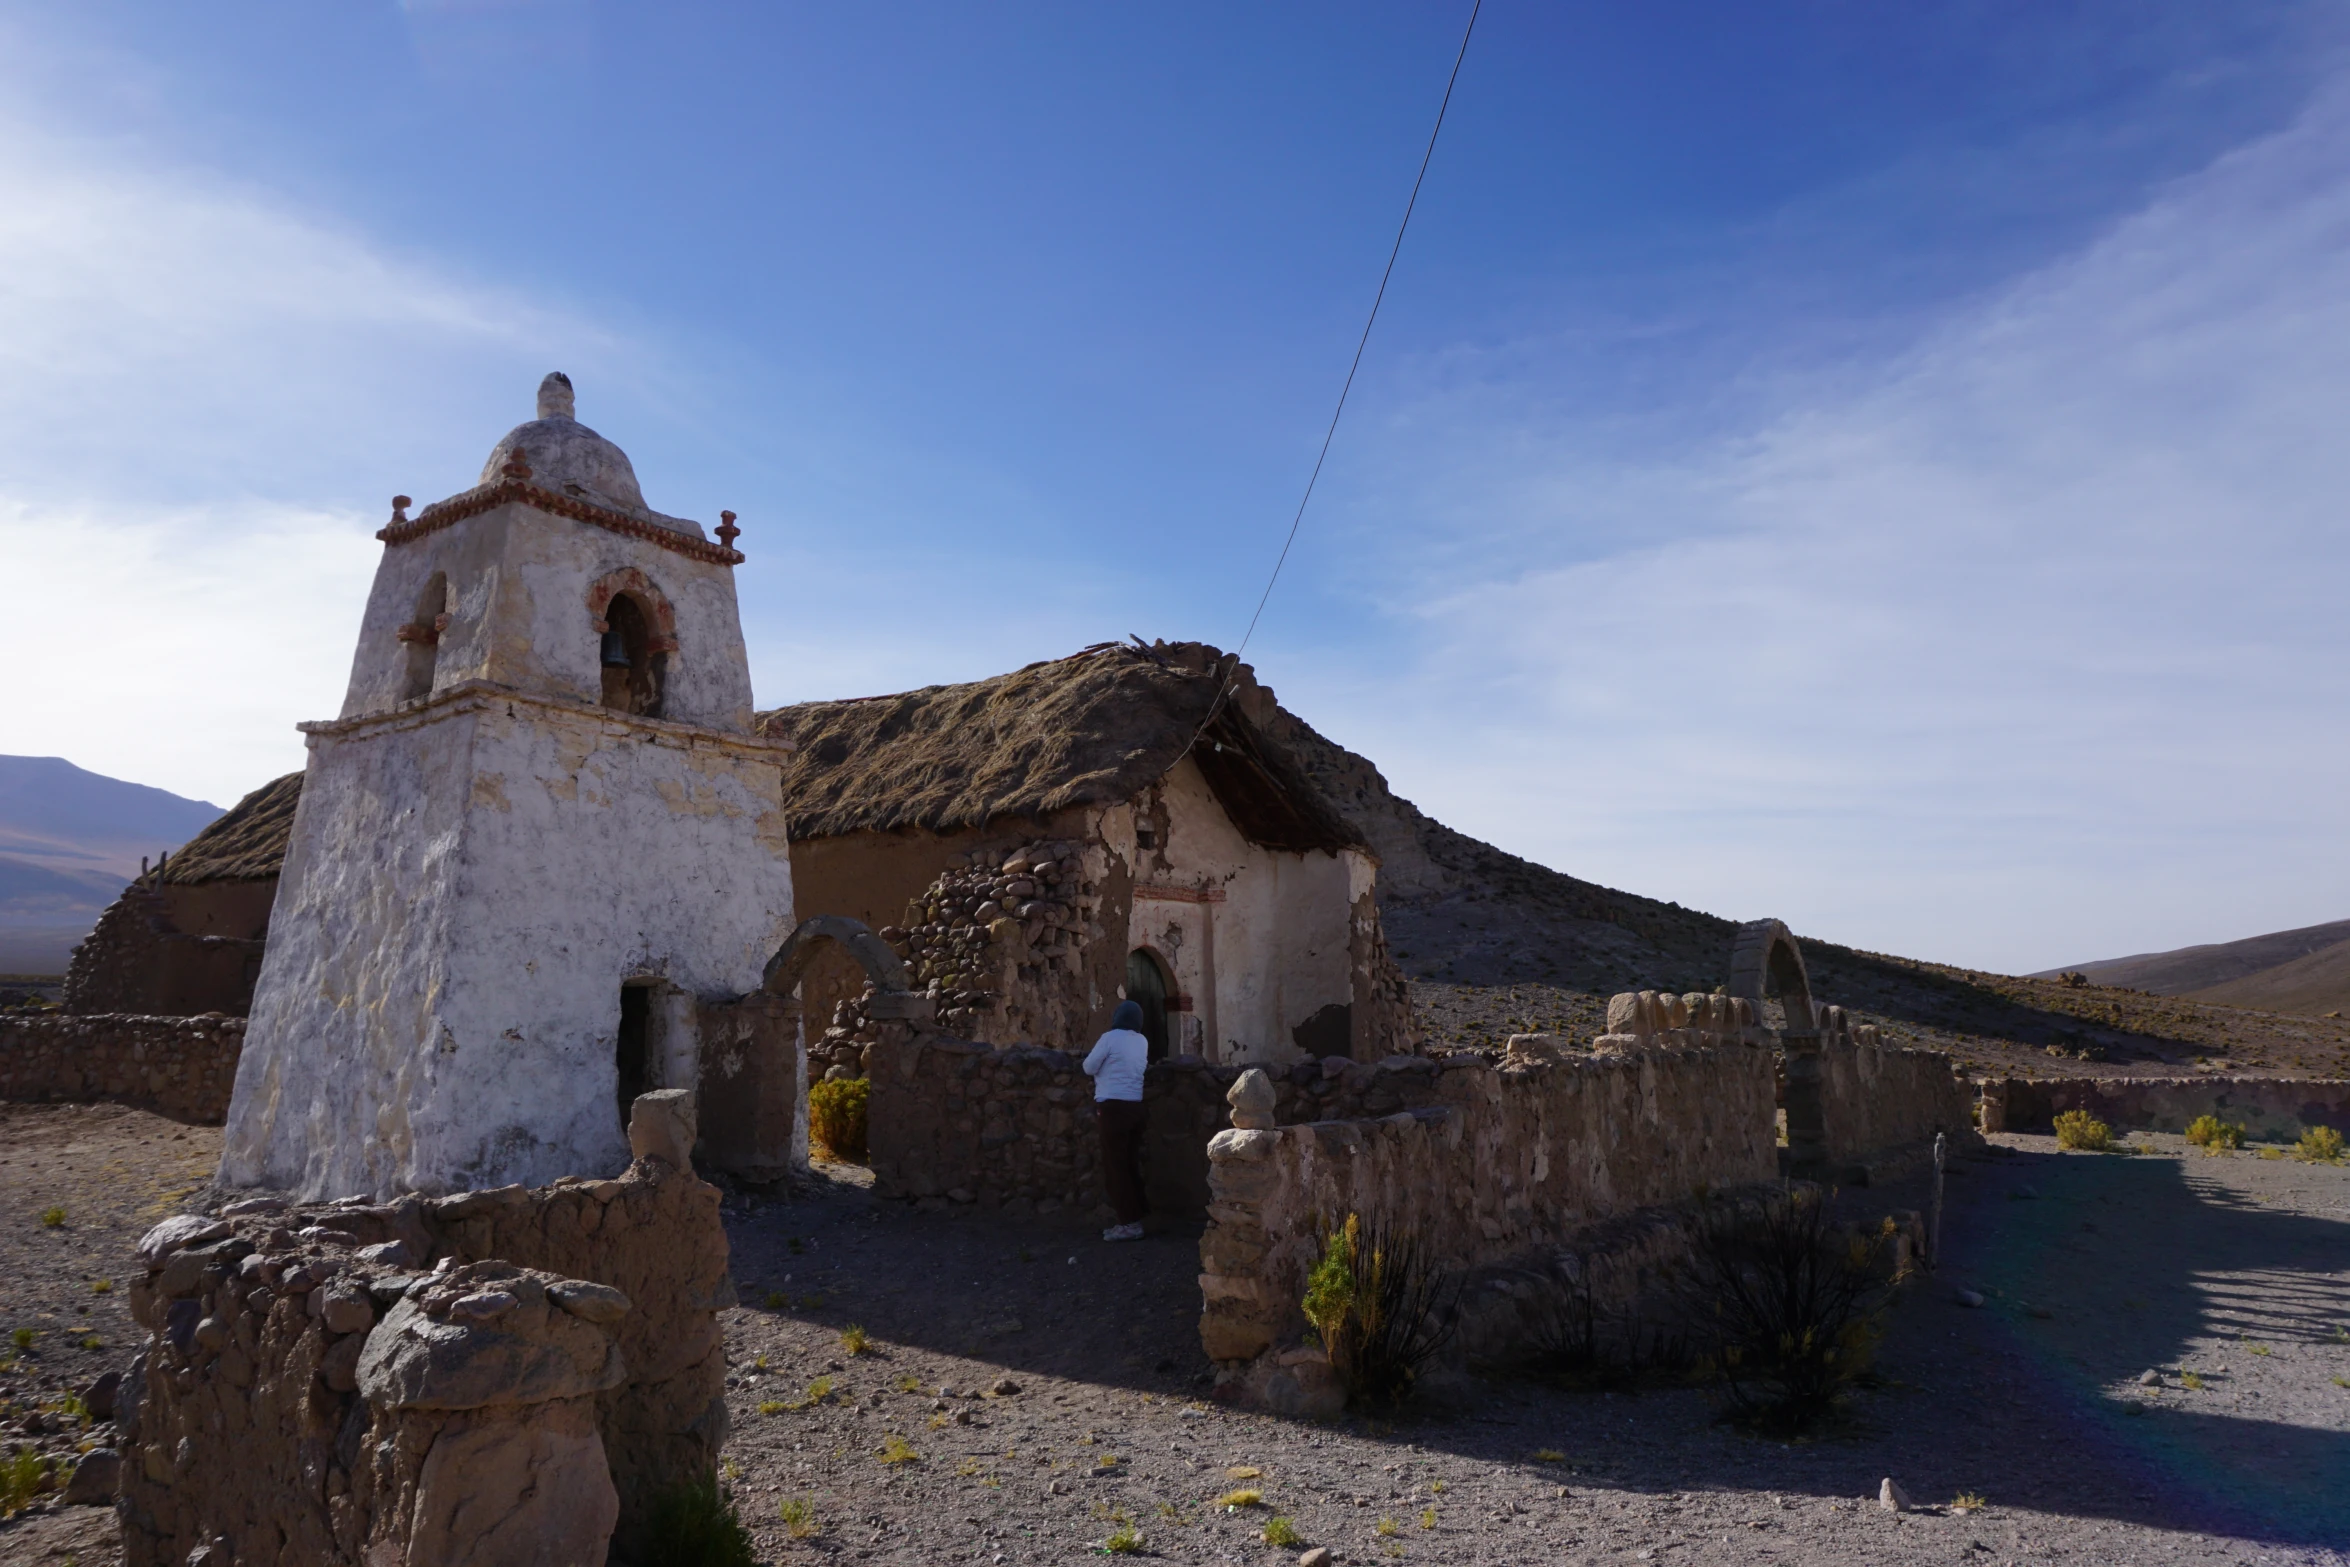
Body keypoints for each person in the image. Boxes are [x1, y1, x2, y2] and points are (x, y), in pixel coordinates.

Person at [1083, 999, 1150, 1241]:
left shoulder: (1109, 1038)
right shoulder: (1142, 1041)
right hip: (1135, 1107)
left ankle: (1129, 1224)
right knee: (1130, 1163)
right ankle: (1137, 1215)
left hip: (1112, 1108)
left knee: (1115, 1167)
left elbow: (1089, 1067)